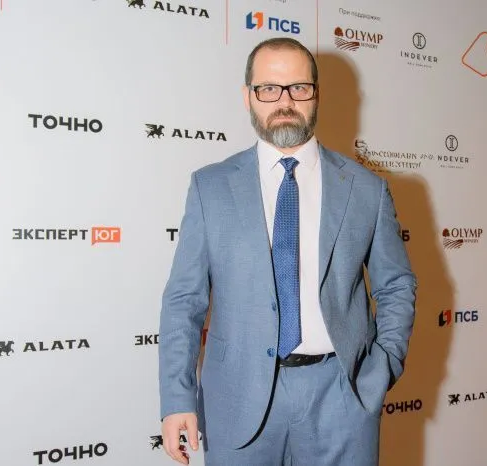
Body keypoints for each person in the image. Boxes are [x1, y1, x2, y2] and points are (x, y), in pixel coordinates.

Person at [159, 37, 417, 466]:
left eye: (299, 87)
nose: (285, 101)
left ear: (316, 94)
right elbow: (184, 300)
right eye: (268, 89)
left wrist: (381, 367)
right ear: (248, 96)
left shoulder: (366, 189)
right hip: (237, 400)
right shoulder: (210, 187)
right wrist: (176, 397)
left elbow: (396, 285)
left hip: (343, 399)